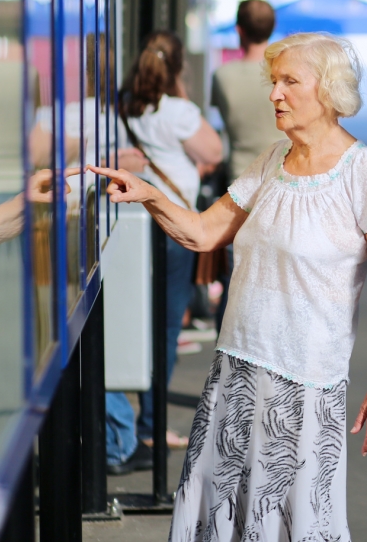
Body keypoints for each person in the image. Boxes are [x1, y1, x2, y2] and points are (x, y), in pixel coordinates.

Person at [90, 32, 367, 540]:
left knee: (295, 523)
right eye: (274, 81)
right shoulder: (271, 160)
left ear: (327, 91)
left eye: (289, 81)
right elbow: (202, 233)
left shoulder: (363, 171)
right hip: (235, 373)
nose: (274, 94)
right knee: (223, 520)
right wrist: (149, 194)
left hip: (303, 385)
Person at [108, 30, 224, 468]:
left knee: (127, 319)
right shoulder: (178, 110)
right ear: (177, 70)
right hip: (173, 225)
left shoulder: (120, 104)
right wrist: (181, 94)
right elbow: (213, 150)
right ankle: (152, 425)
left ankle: (131, 421)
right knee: (165, 324)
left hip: (131, 224)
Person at [211, 0, 282, 184]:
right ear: (272, 28)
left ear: (239, 30)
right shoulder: (286, 74)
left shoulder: (222, 75)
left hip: (240, 176)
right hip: (284, 171)